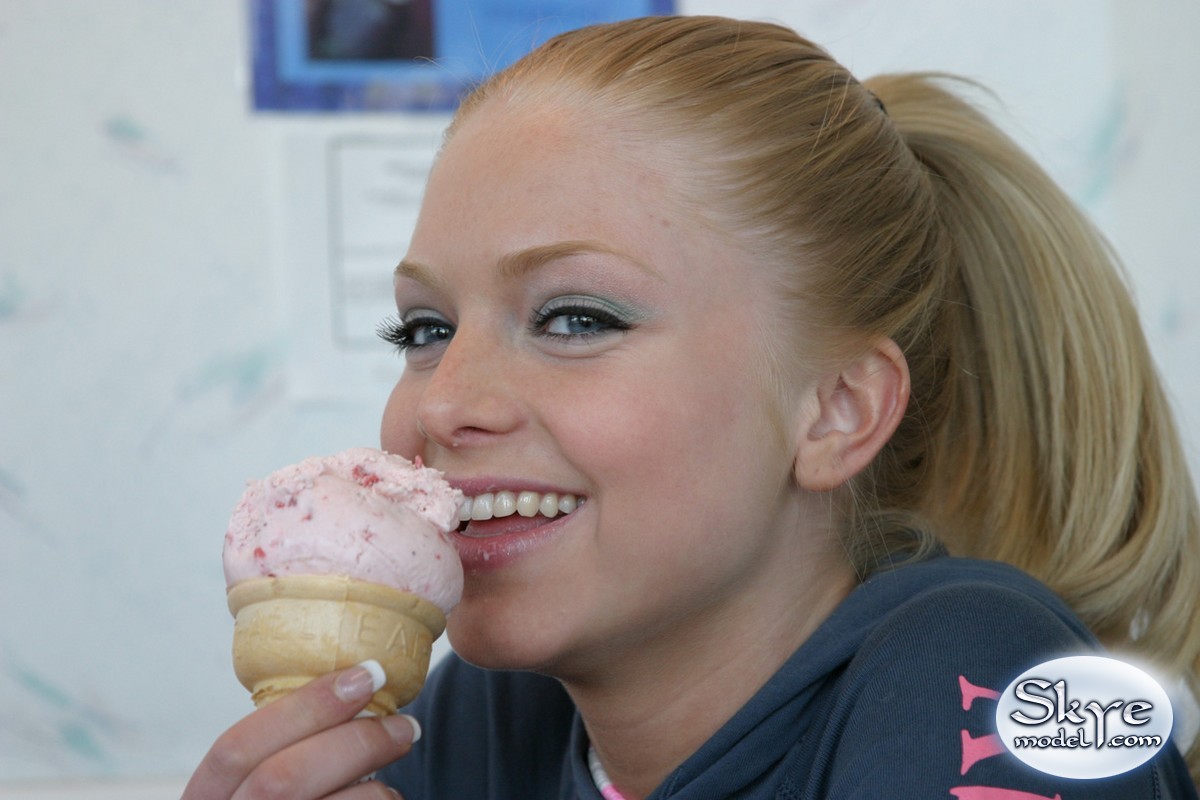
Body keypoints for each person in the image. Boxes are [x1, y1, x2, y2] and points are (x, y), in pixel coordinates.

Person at [184, 15, 1200, 800]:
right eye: (424, 329)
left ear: (836, 410)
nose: (444, 402)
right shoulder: (493, 718)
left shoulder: (987, 677)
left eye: (575, 318)